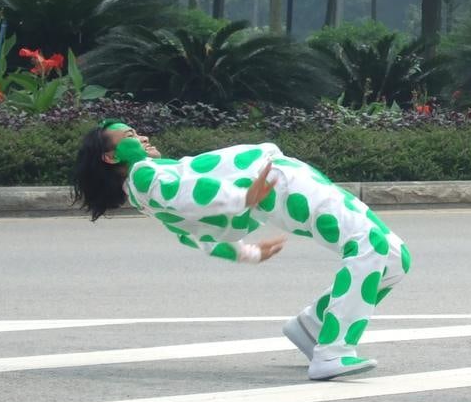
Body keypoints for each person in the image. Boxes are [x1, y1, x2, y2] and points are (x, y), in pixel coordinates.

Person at [71, 122, 410, 381]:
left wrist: (247, 252)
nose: (141, 137)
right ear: (111, 156)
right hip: (281, 185)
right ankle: (332, 352)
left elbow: (194, 236)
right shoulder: (146, 174)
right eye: (129, 135)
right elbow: (198, 192)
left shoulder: (147, 192)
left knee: (394, 257)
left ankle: (313, 326)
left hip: (281, 183)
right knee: (371, 246)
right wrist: (245, 196)